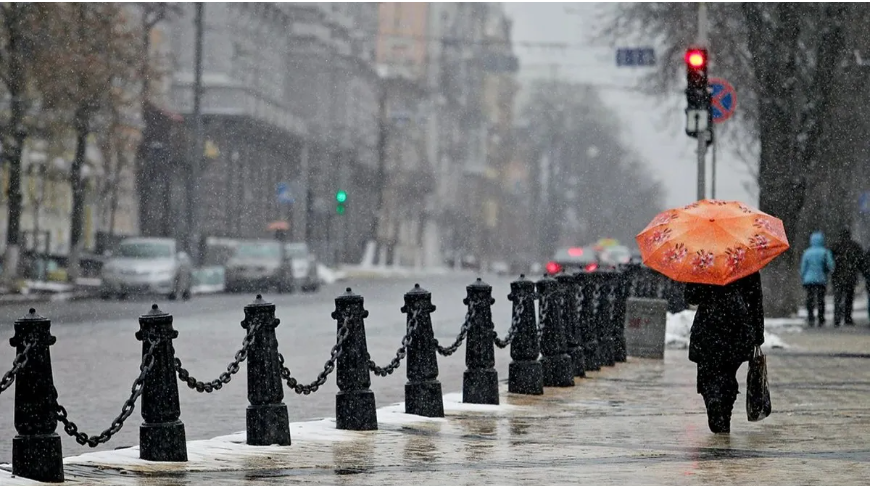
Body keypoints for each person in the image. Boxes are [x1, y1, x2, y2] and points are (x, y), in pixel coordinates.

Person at [685, 271, 765, 434]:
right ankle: (724, 413)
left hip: (708, 324)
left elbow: (691, 297)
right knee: (728, 373)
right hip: (736, 326)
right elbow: (755, 300)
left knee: (707, 374)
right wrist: (758, 332)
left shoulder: (703, 260)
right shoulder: (744, 261)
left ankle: (713, 399)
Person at [830, 228, 865, 326]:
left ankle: (837, 318)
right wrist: (862, 273)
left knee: (838, 298)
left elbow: (829, 260)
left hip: (837, 277)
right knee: (849, 298)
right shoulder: (855, 246)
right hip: (851, 276)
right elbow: (860, 261)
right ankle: (847, 317)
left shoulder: (835, 246)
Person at [800, 231, 834, 327]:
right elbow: (831, 266)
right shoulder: (825, 252)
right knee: (820, 299)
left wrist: (803, 277)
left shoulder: (807, 252)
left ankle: (810, 318)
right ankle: (821, 318)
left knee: (810, 299)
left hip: (808, 279)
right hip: (821, 279)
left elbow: (803, 267)